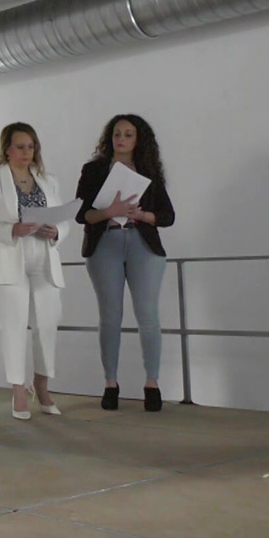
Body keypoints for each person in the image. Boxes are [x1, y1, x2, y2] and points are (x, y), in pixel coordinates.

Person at [75, 114, 175, 412]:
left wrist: (142, 215)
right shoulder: (93, 170)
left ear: (138, 139)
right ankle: (110, 384)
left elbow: (168, 216)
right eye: (117, 133)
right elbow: (82, 214)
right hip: (106, 242)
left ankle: (152, 384)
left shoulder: (149, 171)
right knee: (110, 316)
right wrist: (110, 211)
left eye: (128, 134)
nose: (121, 139)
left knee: (148, 315)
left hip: (142, 243)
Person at [0, 123, 68, 421]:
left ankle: (42, 384)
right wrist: (12, 228)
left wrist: (56, 231)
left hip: (44, 258)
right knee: (14, 326)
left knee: (47, 324)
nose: (26, 152)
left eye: (31, 147)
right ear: (7, 149)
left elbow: (64, 220)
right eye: (20, 146)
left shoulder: (48, 180)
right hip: (8, 257)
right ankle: (17, 389)